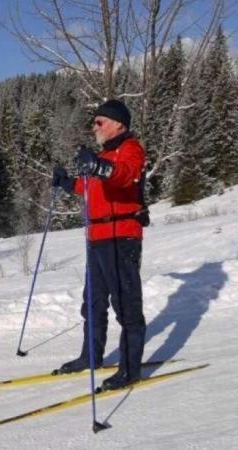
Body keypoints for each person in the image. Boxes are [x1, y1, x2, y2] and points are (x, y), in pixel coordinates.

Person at [52, 99, 148, 391]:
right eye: (94, 122)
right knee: (93, 302)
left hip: (121, 235)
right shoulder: (103, 156)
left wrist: (97, 165)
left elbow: (124, 176)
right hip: (97, 238)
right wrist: (66, 182)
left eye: (100, 121)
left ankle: (130, 370)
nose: (95, 127)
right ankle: (90, 356)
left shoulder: (130, 149)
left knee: (125, 303)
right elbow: (89, 187)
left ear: (118, 123)